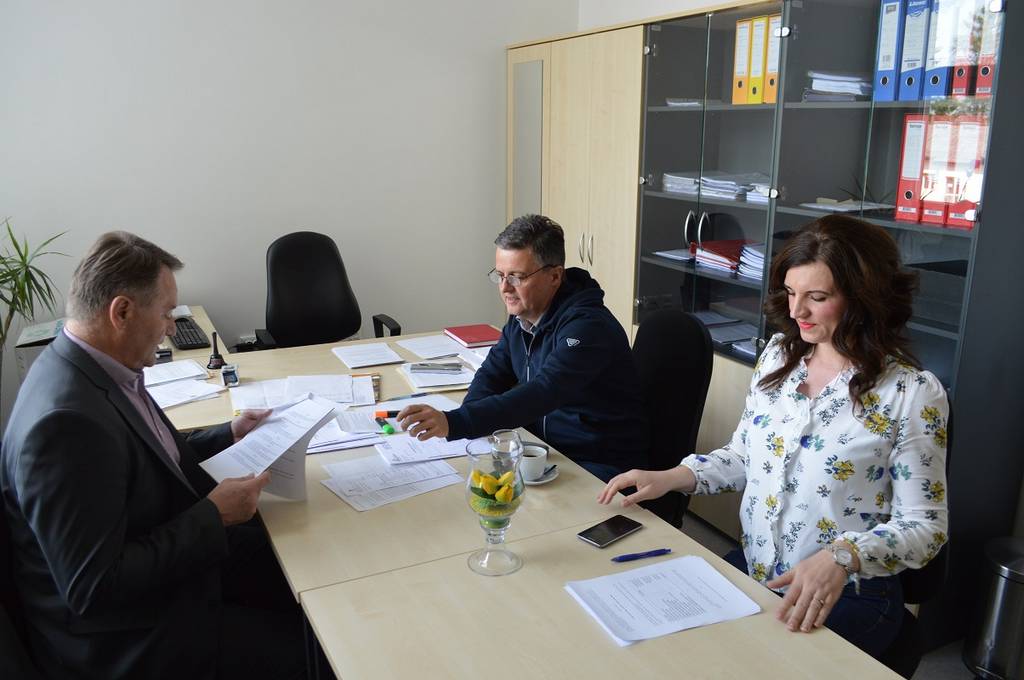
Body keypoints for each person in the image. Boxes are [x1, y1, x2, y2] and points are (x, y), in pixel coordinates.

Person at [598, 215, 949, 656]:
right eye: (791, 293)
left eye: (817, 297)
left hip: (848, 591)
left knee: (742, 661)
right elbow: (745, 457)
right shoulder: (780, 357)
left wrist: (842, 556)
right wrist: (673, 476)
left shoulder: (911, 393)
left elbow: (926, 526)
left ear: (864, 298)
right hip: (758, 568)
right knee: (665, 642)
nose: (797, 311)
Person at [0, 232, 304, 679]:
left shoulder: (98, 367)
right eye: (165, 314)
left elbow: (147, 459)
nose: (170, 328)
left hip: (160, 570)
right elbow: (94, 587)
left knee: (302, 565)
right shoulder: (65, 425)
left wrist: (228, 433)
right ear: (121, 312)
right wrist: (214, 516)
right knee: (311, 649)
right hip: (127, 639)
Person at [398, 214, 649, 481]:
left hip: (598, 465)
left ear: (555, 276)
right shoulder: (524, 316)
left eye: (517, 277)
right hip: (543, 453)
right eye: (500, 275)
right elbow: (492, 373)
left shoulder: (588, 328)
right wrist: (470, 417)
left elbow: (543, 392)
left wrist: (456, 422)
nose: (505, 288)